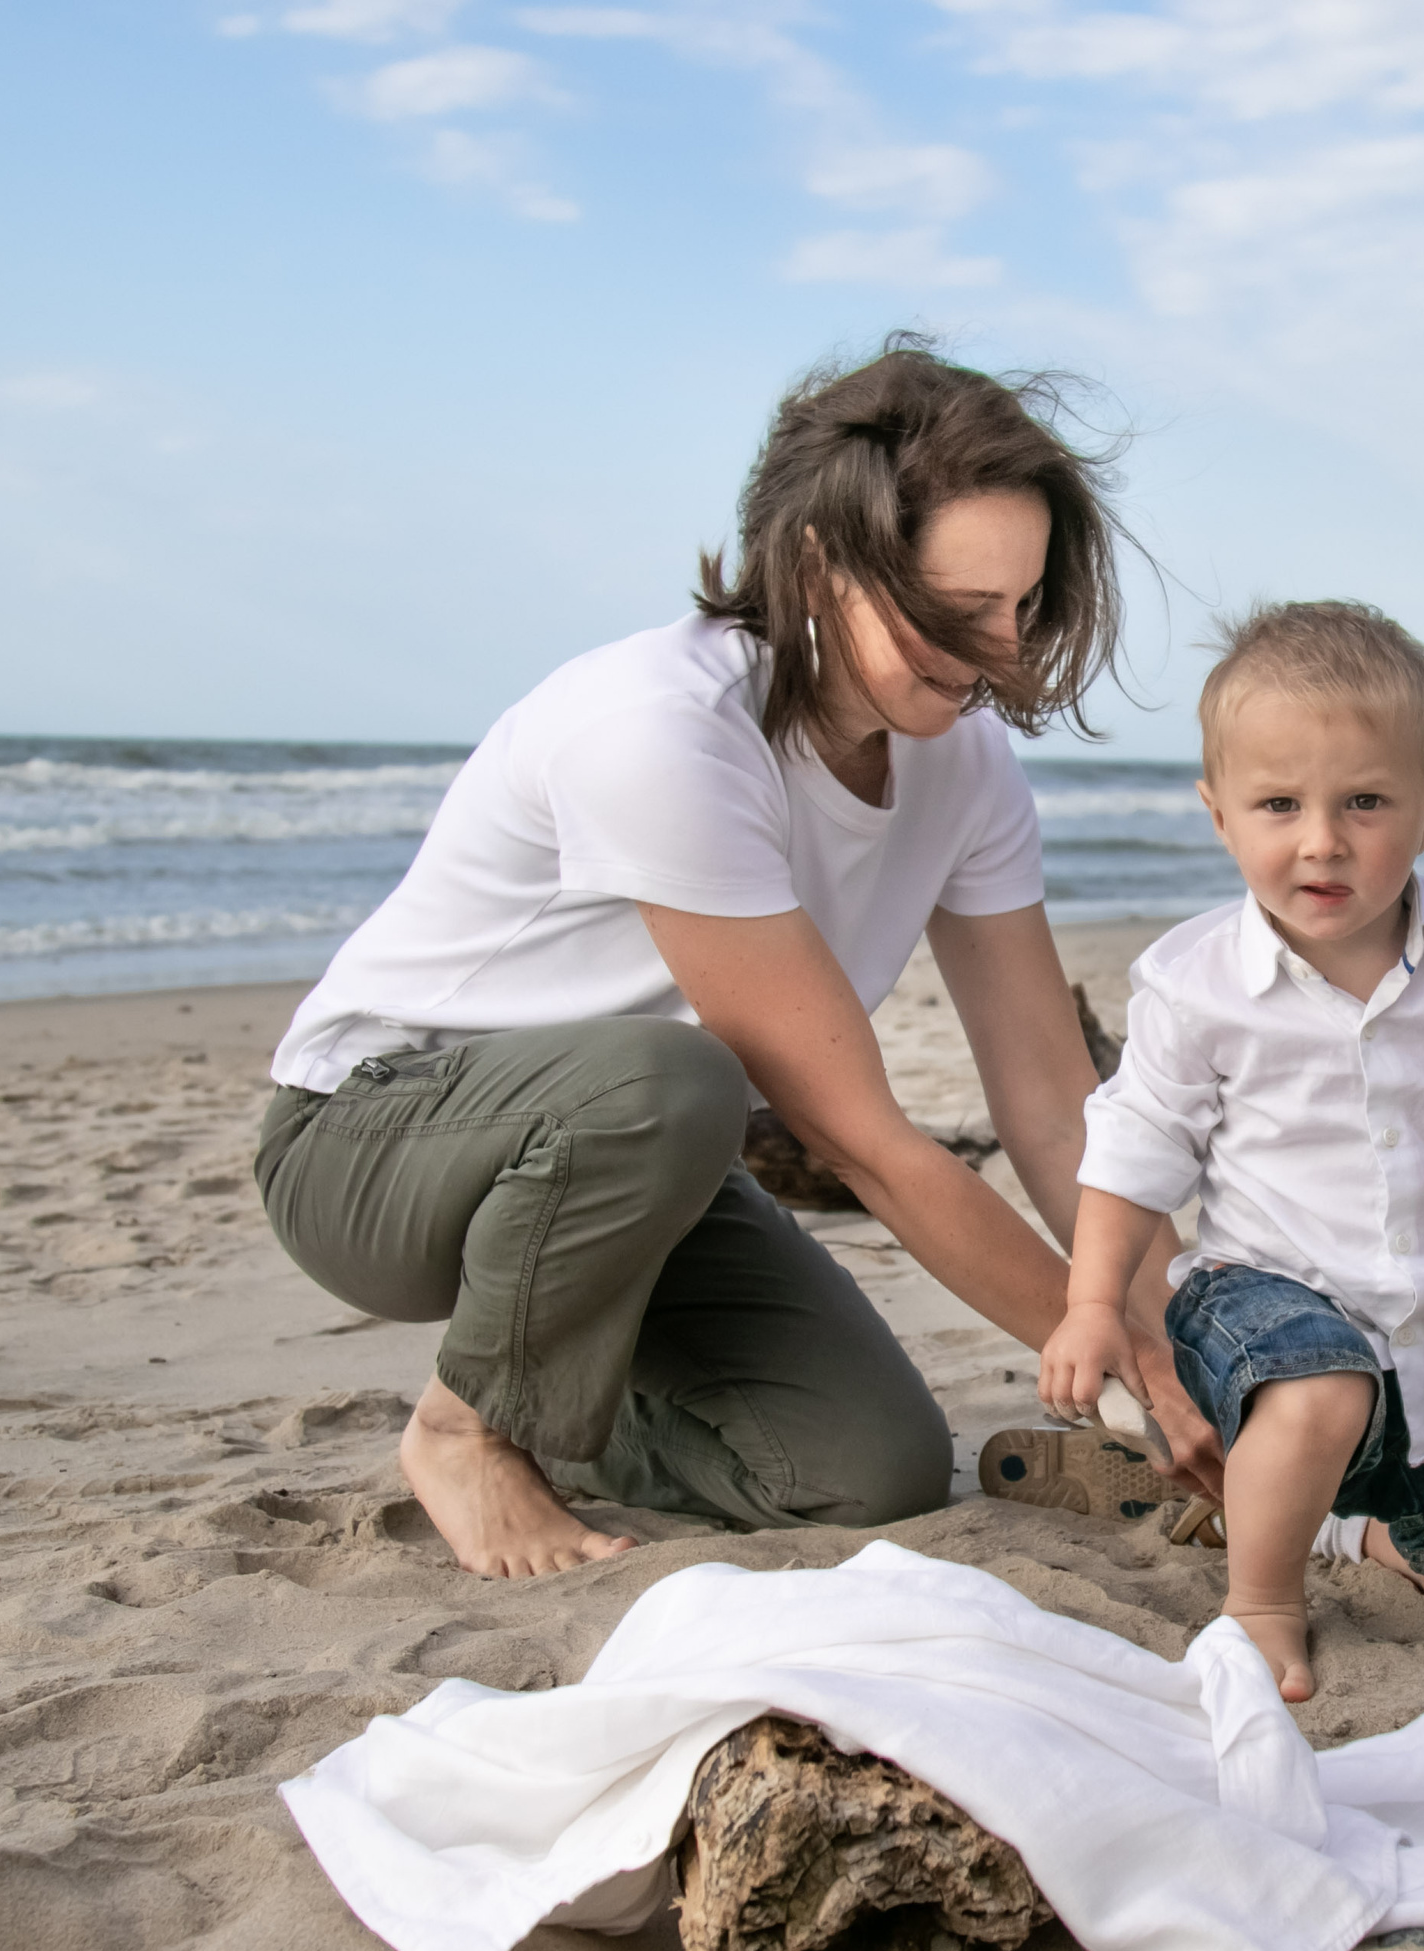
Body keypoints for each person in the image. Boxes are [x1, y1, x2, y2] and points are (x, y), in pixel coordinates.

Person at [255, 341, 1203, 1579]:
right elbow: (865, 1141)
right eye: (954, 609)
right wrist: (1136, 1384)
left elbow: (1049, 1108)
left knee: (867, 1470)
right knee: (670, 1081)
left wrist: (1196, 1341)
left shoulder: (965, 768)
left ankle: (566, 1408)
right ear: (818, 562)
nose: (998, 648)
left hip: (638, 1179)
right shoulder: (663, 730)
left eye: (1019, 605)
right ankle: (465, 1428)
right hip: (371, 1145)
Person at [1033, 602, 1424, 1701]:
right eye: (1279, 804)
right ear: (1219, 816)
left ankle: (1331, 1528)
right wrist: (1090, 1302)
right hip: (1261, 1300)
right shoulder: (1194, 980)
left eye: (1364, 801)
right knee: (1318, 1387)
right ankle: (1260, 1603)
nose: (1320, 839)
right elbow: (1135, 1145)